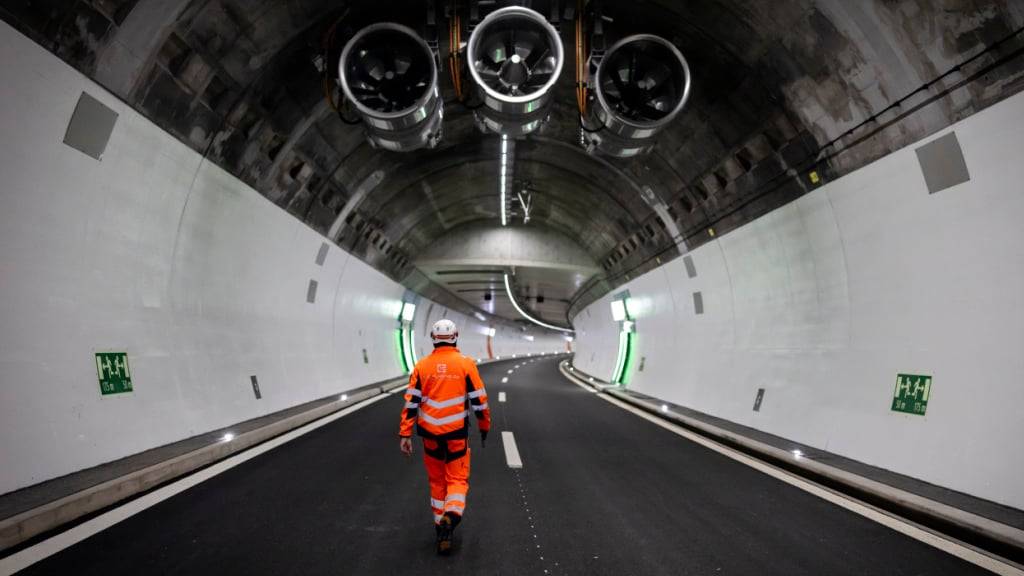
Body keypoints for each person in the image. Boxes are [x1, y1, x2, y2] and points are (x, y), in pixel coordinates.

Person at [399, 318, 491, 555]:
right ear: (456, 336)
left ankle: (440, 528)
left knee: (437, 481)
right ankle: (450, 518)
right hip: (456, 435)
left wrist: (405, 433)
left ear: (432, 338)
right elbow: (479, 402)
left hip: (429, 435)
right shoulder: (466, 365)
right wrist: (484, 426)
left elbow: (411, 403)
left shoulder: (421, 367)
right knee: (457, 480)